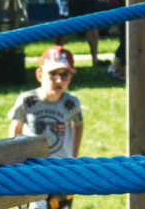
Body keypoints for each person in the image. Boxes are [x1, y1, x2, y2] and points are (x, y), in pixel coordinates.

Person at [8, 45, 86, 208]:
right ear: (39, 74)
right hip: (33, 168)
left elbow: (78, 125)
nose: (59, 80)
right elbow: (15, 129)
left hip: (61, 168)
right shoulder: (28, 101)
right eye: (53, 74)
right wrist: (15, 158)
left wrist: (74, 155)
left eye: (65, 75)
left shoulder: (71, 103)